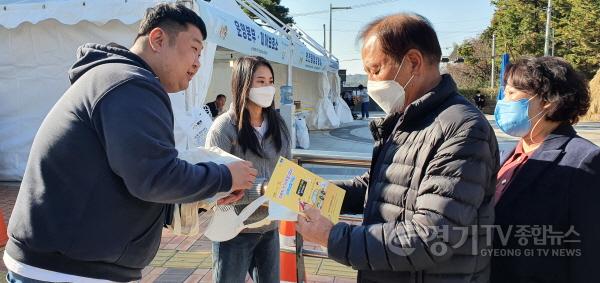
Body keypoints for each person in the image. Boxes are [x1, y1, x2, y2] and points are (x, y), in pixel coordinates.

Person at [4, 4, 257, 282]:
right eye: (195, 49)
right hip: (65, 270)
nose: (198, 62)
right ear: (158, 39)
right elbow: (154, 177)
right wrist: (224, 176)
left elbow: (130, 180)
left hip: (65, 263)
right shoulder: (131, 84)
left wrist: (203, 194)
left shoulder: (118, 80)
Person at [296, 13, 499, 283]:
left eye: (375, 69)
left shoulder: (463, 128)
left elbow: (430, 236)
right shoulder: (407, 117)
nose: (370, 83)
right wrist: (315, 191)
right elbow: (382, 185)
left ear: (413, 62)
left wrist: (333, 237)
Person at [491, 57, 600, 283]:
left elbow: (589, 255)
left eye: (511, 93)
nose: (503, 101)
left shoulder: (583, 159)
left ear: (547, 100)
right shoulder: (507, 157)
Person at [206, 56, 291, 283]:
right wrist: (262, 188)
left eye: (270, 81)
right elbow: (214, 182)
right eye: (260, 81)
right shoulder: (224, 127)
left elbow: (287, 171)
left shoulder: (279, 125)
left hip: (270, 227)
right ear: (243, 83)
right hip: (234, 230)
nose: (267, 88)